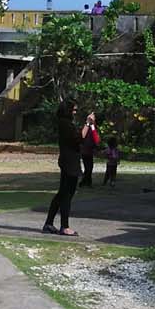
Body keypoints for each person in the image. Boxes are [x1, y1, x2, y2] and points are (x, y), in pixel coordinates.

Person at [42, 99, 81, 236]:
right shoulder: (65, 124)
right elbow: (78, 138)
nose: (75, 112)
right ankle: (64, 226)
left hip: (69, 160)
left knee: (61, 194)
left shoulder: (66, 123)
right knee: (66, 195)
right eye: (74, 109)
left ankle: (49, 223)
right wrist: (88, 124)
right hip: (69, 161)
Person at [78, 111, 100, 186]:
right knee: (88, 167)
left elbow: (96, 139)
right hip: (84, 150)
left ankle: (87, 181)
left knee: (90, 167)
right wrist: (88, 123)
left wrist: (92, 125)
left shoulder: (94, 128)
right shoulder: (85, 126)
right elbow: (82, 135)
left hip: (90, 150)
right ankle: (85, 182)